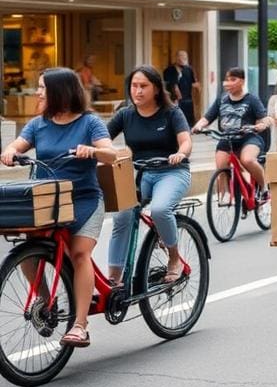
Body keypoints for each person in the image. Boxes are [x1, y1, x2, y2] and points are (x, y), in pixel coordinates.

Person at [1, 68, 117, 348]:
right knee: (27, 252)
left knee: (79, 254)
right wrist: (9, 152)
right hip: (48, 201)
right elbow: (17, 144)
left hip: (84, 199)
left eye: (42, 87)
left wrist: (93, 151)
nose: (38, 92)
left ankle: (80, 325)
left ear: (60, 90)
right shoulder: (38, 124)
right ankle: (45, 300)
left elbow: (112, 154)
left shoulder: (90, 123)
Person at [106, 66, 191, 286]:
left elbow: (186, 141)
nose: (138, 91)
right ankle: (114, 278)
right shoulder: (125, 114)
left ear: (156, 89)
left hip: (172, 172)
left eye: (143, 86)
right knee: (122, 216)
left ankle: (174, 258)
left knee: (160, 210)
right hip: (140, 174)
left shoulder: (171, 112)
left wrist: (180, 154)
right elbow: (102, 138)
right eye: (134, 86)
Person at [192, 67, 270, 193]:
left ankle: (264, 188)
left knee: (247, 160)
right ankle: (226, 197)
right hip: (226, 139)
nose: (228, 83)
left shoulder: (251, 99)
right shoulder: (221, 100)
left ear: (242, 81)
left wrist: (260, 125)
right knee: (221, 166)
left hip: (248, 138)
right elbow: (207, 118)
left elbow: (265, 119)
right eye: (227, 80)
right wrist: (198, 126)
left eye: (233, 79)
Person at [163, 50, 199, 126]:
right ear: (176, 58)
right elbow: (173, 85)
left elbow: (193, 83)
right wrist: (177, 98)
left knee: (188, 120)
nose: (183, 58)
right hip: (175, 99)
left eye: (185, 56)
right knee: (176, 119)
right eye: (181, 56)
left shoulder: (189, 69)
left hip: (188, 99)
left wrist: (198, 87)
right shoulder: (169, 70)